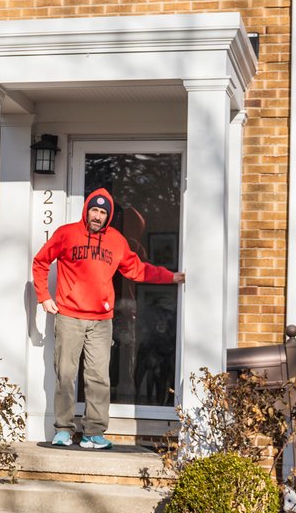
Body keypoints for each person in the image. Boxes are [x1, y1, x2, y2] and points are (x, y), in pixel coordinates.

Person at [31, 187, 184, 449]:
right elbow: (41, 261)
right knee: (66, 375)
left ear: (108, 216)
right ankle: (64, 430)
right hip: (69, 315)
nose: (98, 216)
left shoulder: (116, 241)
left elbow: (137, 270)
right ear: (86, 210)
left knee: (99, 378)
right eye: (94, 210)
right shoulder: (66, 234)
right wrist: (44, 297)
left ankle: (93, 433)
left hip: (102, 320)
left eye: (103, 212)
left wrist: (169, 277)